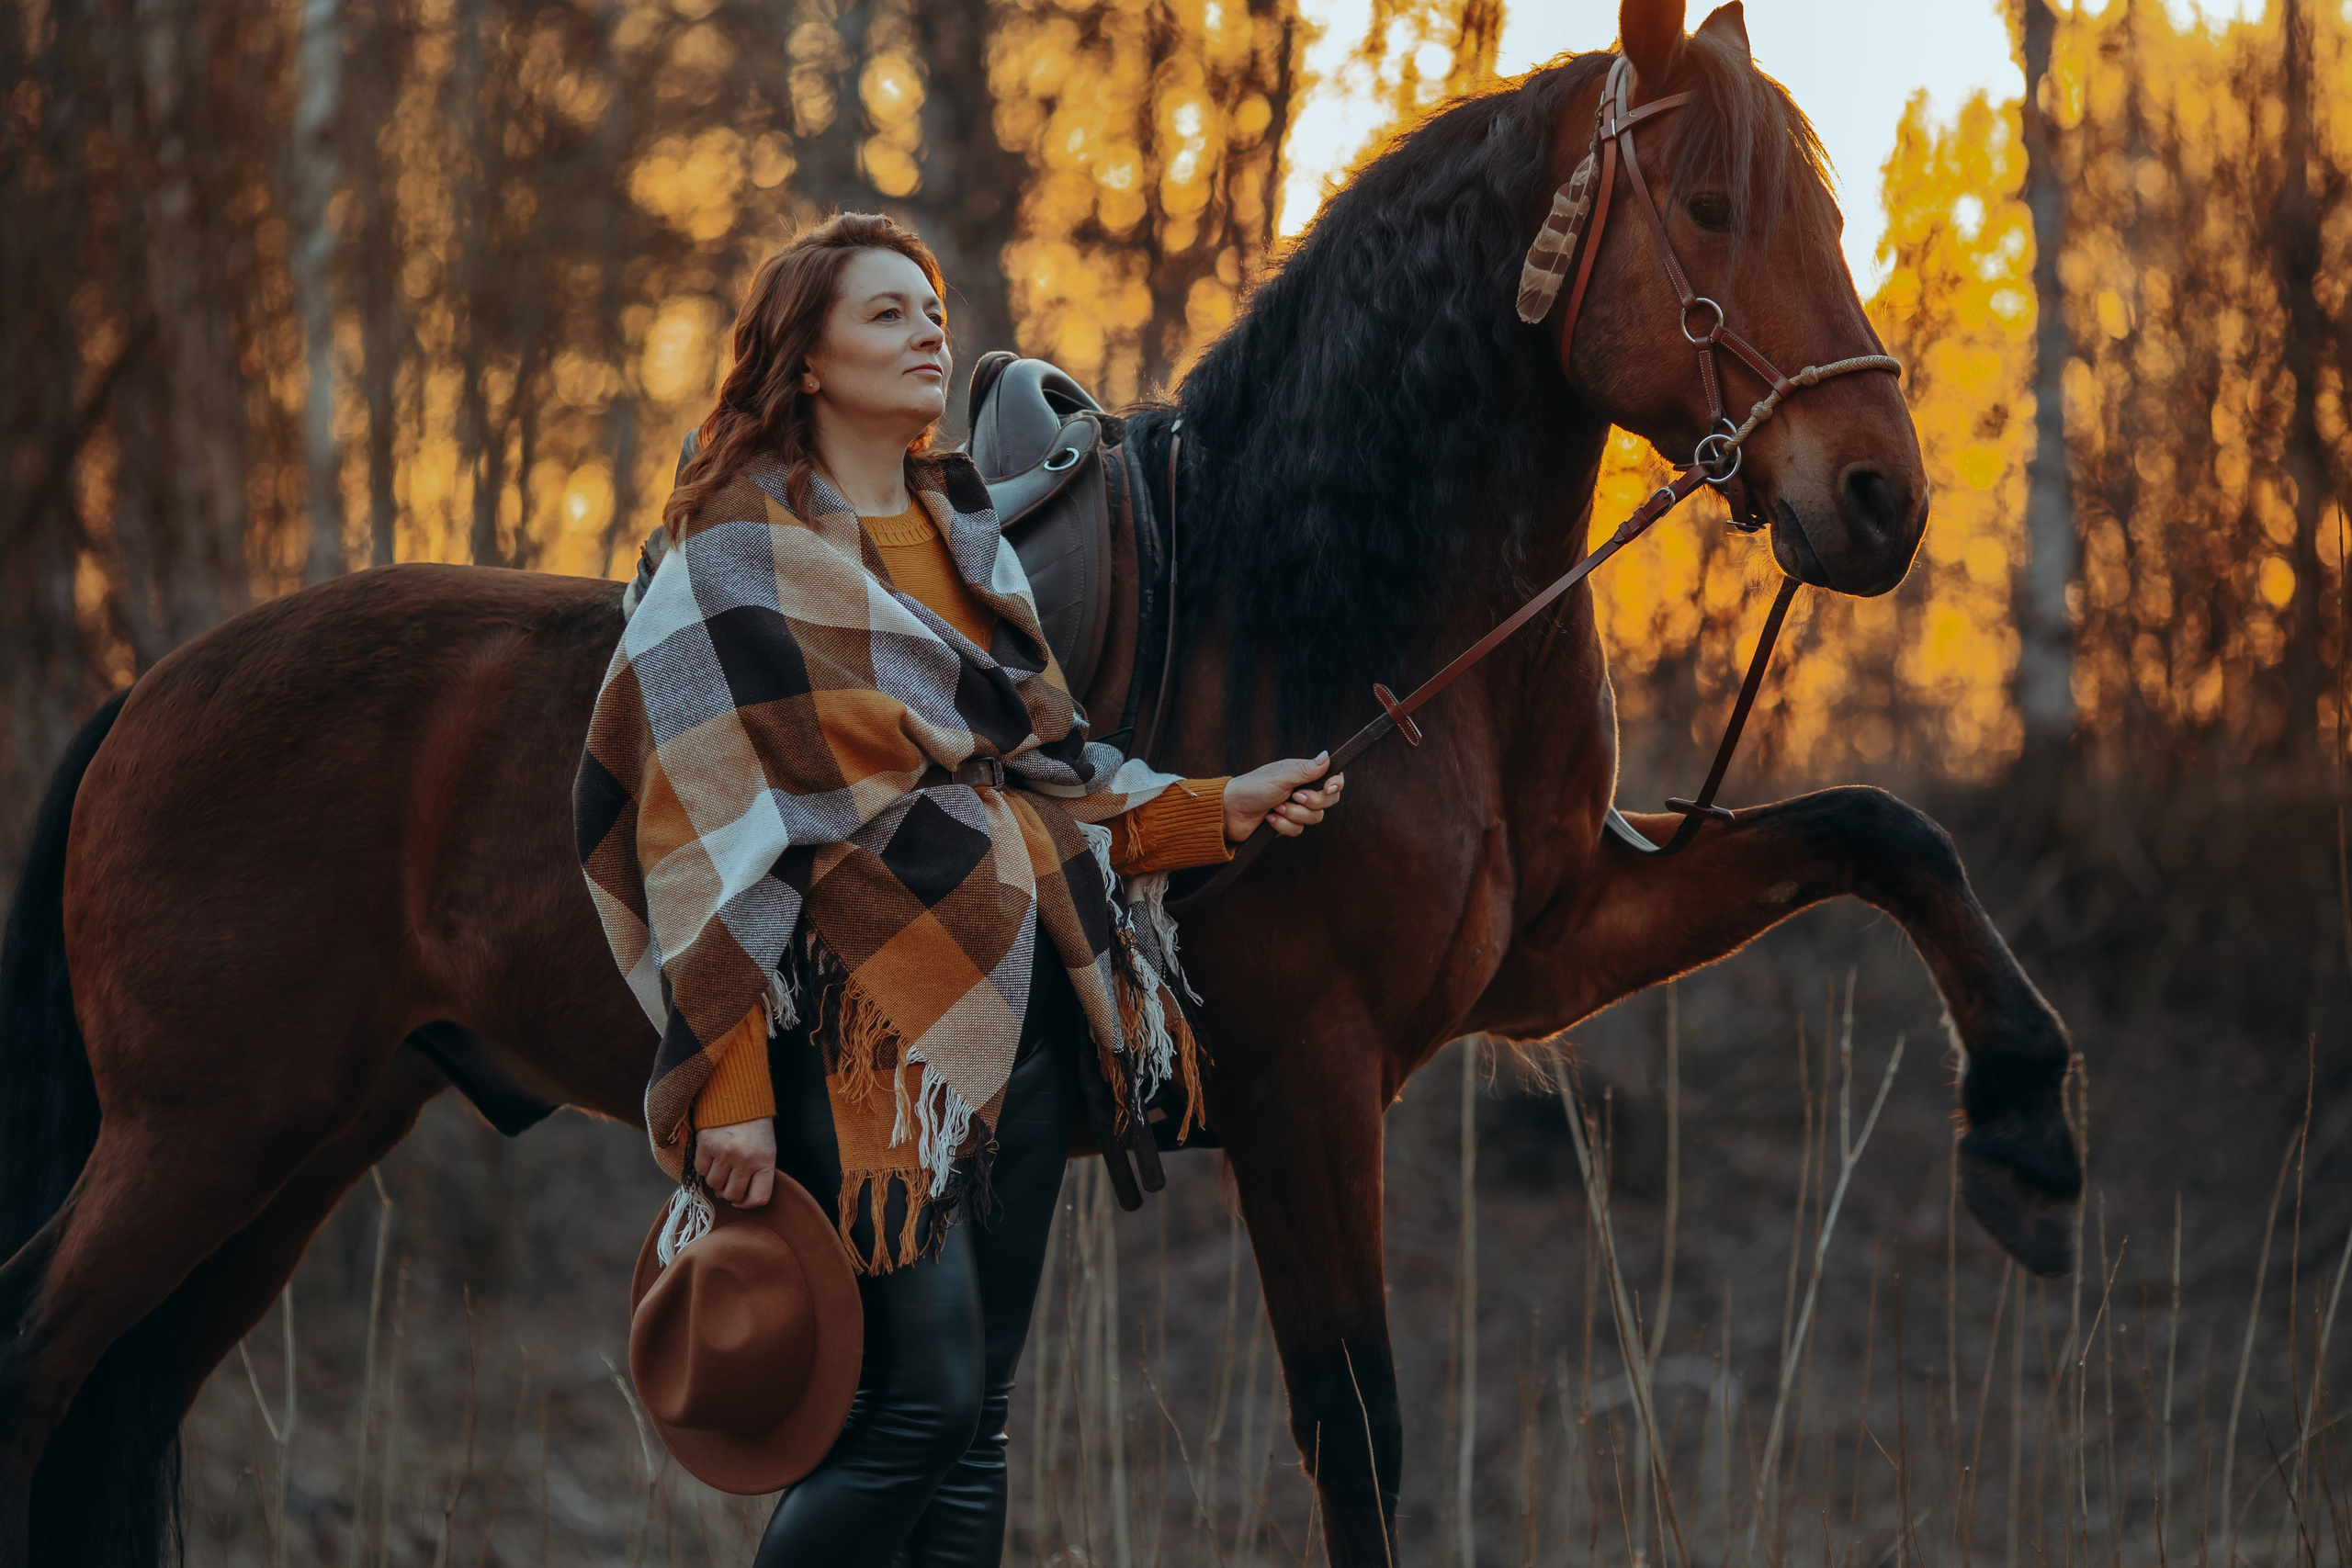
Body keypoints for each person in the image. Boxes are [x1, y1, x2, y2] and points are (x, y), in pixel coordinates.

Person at [579, 211, 1342, 1568]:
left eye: (932, 305)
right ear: (805, 361)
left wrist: (1220, 807)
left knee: (979, 1415)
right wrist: (732, 1090)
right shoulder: (726, 564)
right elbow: (689, 845)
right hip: (865, 1037)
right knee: (915, 1412)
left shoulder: (964, 532)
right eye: (886, 312)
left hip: (1023, 1011)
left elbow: (1046, 777)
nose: (931, 328)